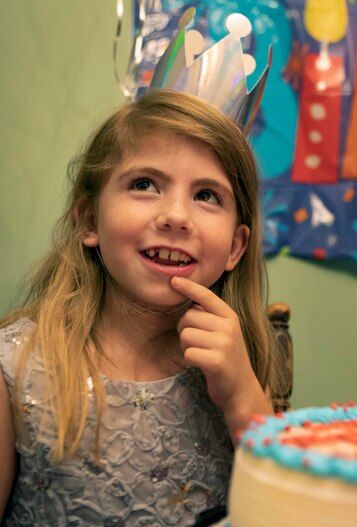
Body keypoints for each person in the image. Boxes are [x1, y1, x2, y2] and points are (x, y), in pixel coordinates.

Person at [0, 89, 278, 526]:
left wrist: (244, 399)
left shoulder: (237, 366)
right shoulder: (13, 370)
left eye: (206, 195)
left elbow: (284, 508)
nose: (176, 216)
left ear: (235, 247)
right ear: (89, 220)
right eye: (144, 185)